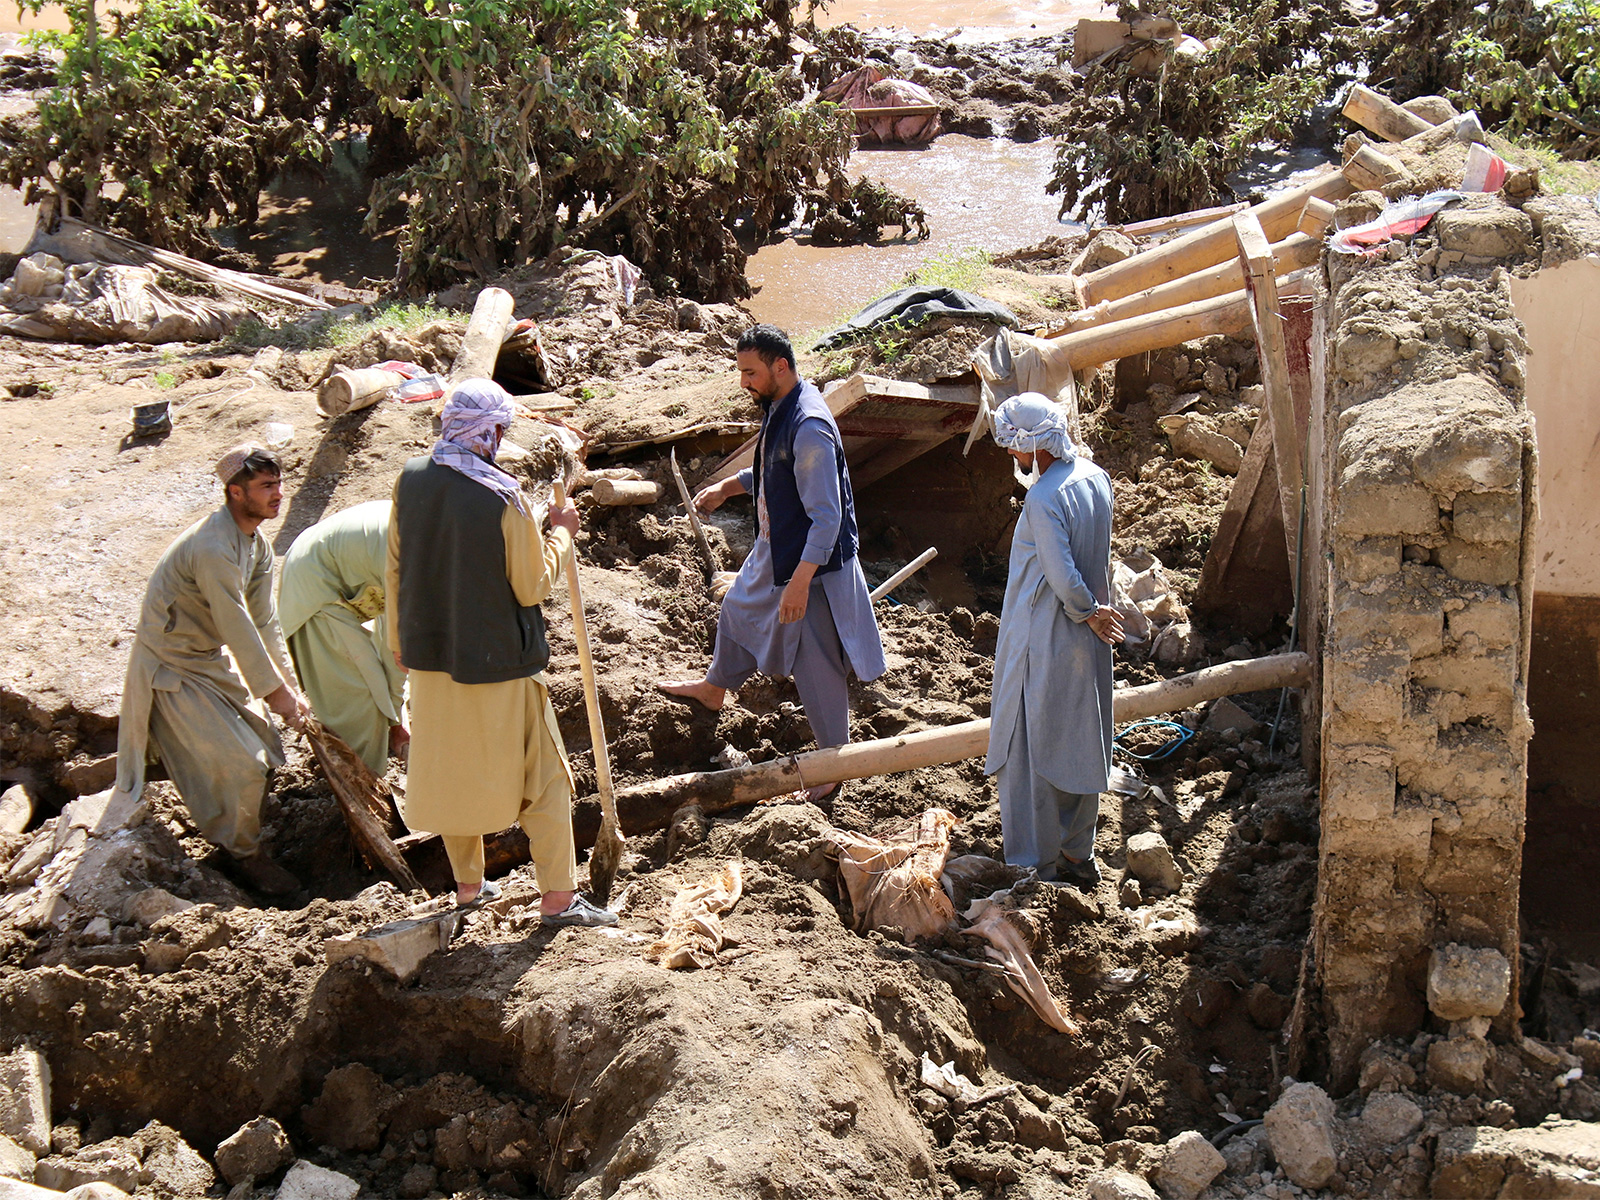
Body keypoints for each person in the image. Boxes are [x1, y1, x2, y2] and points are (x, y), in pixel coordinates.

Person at [387, 379, 615, 926]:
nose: (501, 440)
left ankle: (470, 889)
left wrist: (400, 644)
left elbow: (395, 567)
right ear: (486, 432)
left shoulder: (410, 482)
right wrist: (561, 534)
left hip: (432, 661)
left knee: (453, 774)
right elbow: (532, 586)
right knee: (546, 779)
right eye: (499, 431)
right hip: (502, 667)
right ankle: (558, 900)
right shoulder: (503, 495)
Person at [660, 324, 886, 800]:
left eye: (750, 372)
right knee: (737, 608)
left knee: (815, 661)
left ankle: (830, 765)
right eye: (741, 371)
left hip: (815, 566)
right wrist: (730, 485)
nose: (744, 382)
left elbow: (827, 518)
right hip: (778, 547)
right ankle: (716, 687)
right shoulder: (781, 407)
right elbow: (771, 465)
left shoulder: (810, 427)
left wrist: (801, 583)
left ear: (780, 367)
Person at [111, 443, 311, 895]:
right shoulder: (213, 547)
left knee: (262, 745)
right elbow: (236, 625)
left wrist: (290, 687)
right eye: (265, 487)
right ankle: (244, 855)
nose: (277, 494)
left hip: (205, 659)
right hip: (171, 665)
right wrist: (274, 695)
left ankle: (243, 830)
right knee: (240, 765)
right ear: (236, 493)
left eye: (278, 484)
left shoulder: (256, 544)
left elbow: (265, 619)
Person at [985, 392, 1124, 889]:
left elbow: (1062, 576)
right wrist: (1095, 616)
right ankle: (1076, 850)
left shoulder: (1042, 498)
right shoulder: (1094, 477)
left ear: (1034, 444)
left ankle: (1034, 865)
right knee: (1082, 734)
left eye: (1013, 446)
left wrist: (1086, 611)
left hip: (1043, 635)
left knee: (1031, 747)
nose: (1011, 456)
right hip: (1087, 643)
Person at [279, 501, 407, 776]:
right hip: (313, 586)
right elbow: (400, 653)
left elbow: (393, 642)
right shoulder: (420, 556)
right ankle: (361, 779)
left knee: (383, 679)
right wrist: (396, 721)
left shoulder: (433, 534)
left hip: (347, 571)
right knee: (357, 695)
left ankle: (382, 745)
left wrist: (397, 719)